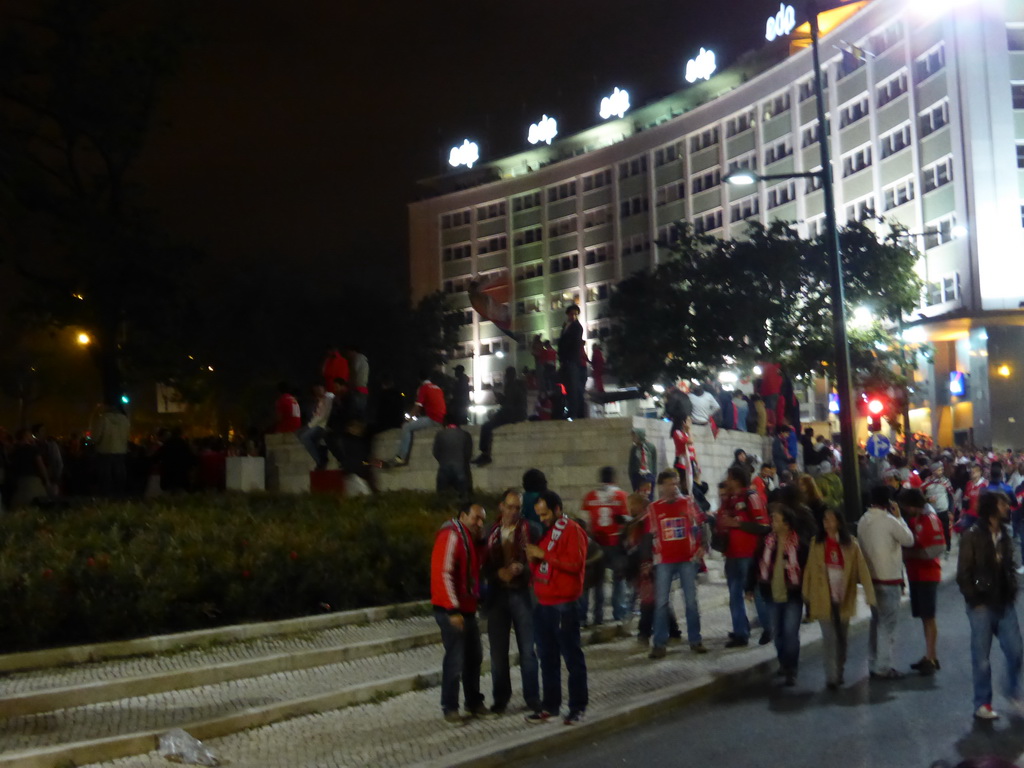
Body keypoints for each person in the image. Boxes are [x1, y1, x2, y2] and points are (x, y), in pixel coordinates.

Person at [957, 491, 1023, 720]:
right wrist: (974, 598)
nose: (1007, 507)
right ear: (993, 507)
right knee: (981, 658)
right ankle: (982, 703)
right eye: (1003, 503)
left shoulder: (1005, 535)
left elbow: (1009, 565)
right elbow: (963, 572)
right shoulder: (972, 535)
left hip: (1004, 601)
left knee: (1016, 651)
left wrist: (1012, 588)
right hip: (981, 605)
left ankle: (1014, 691)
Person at [526, 490, 589, 725]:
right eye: (539, 515)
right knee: (548, 658)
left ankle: (577, 707)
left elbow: (574, 564)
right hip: (544, 605)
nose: (541, 519)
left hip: (563, 604)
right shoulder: (549, 532)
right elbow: (544, 566)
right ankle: (551, 706)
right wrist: (534, 560)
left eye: (545, 514)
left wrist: (543, 554)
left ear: (557, 509)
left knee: (572, 658)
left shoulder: (572, 530)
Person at [482, 489, 541, 715]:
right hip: (497, 596)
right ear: (501, 506)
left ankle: (532, 696)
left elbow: (537, 560)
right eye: (510, 507)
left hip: (522, 594)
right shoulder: (490, 532)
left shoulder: (531, 530)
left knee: (528, 650)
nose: (514, 512)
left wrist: (522, 569)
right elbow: (484, 566)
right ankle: (500, 698)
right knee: (498, 652)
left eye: (518, 508)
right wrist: (499, 574)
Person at [803, 508, 875, 690]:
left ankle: (839, 669)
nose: (827, 523)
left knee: (841, 637)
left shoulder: (851, 544)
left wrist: (870, 594)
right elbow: (810, 569)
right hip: (822, 595)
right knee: (829, 638)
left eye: (831, 520)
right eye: (825, 519)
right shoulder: (816, 543)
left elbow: (863, 570)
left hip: (843, 596)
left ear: (839, 523)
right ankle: (831, 676)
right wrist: (806, 594)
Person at [430, 501, 488, 724]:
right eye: (476, 517)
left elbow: (475, 565)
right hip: (452, 611)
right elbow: (443, 574)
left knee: (474, 657)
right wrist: (452, 609)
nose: (480, 522)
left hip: (467, 609)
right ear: (463, 516)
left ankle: (473, 702)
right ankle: (450, 707)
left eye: (482, 519)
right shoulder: (451, 536)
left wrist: (481, 541)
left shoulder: (466, 538)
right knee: (456, 659)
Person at [647, 468, 706, 658]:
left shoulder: (688, 502)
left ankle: (695, 640)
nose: (674, 487)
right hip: (664, 560)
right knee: (662, 602)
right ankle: (659, 643)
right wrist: (648, 559)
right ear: (661, 486)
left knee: (690, 601)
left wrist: (702, 546)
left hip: (687, 559)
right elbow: (649, 535)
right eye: (670, 484)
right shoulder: (654, 508)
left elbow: (702, 523)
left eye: (676, 483)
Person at [858, 485, 915, 680]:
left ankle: (874, 662)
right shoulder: (890, 521)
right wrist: (899, 517)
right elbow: (908, 540)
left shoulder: (863, 521)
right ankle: (883, 666)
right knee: (887, 624)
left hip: (870, 577)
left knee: (876, 622)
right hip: (889, 578)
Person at [748, 504, 808, 685]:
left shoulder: (800, 545)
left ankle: (791, 668)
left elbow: (807, 570)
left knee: (791, 633)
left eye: (776, 519)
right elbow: (755, 563)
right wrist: (749, 587)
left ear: (787, 524)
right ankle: (783, 662)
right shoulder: (767, 541)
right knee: (778, 632)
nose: (772, 522)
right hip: (771, 594)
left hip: (793, 595)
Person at [718, 466, 771, 647]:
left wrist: (737, 524)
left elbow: (763, 526)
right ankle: (741, 632)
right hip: (731, 554)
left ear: (737, 479)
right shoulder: (730, 499)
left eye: (730, 478)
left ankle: (769, 627)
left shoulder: (751, 497)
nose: (727, 481)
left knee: (755, 592)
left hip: (748, 554)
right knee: (734, 594)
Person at [899, 488, 947, 676]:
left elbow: (937, 547)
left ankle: (932, 656)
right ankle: (929, 655)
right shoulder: (917, 519)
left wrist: (910, 554)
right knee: (925, 617)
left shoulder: (930, 520)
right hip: (916, 573)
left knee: (929, 616)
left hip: (927, 574)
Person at [580, 467, 631, 625]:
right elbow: (628, 521)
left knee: (595, 582)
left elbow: (584, 523)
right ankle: (619, 612)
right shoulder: (622, 496)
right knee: (618, 579)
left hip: (596, 544)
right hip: (615, 543)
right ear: (614, 478)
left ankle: (594, 615)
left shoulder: (590, 496)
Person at [472, 367, 527, 466]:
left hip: (513, 415)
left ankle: (485, 454)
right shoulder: (516, 386)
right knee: (488, 425)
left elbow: (509, 406)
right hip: (517, 414)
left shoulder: (511, 386)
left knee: (486, 427)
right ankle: (485, 454)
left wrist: (499, 409)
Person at [391, 371, 446, 466]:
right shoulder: (437, 388)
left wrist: (408, 419)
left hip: (433, 419)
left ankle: (401, 457)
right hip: (442, 419)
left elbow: (417, 407)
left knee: (406, 427)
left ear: (419, 379)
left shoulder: (423, 388)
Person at [92, 402, 130, 496]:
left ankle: (106, 499)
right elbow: (126, 436)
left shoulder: (103, 419)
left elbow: (96, 437)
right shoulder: (125, 420)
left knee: (105, 478)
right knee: (119, 477)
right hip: (120, 451)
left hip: (105, 451)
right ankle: (119, 497)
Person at [433, 413, 473, 498]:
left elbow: (436, 452)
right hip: (460, 468)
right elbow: (468, 453)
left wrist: (442, 460)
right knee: (463, 495)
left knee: (442, 494)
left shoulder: (440, 435)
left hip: (444, 467)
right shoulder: (465, 434)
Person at [558, 305, 586, 419]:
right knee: (567, 388)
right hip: (565, 361)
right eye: (571, 314)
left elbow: (573, 343)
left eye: (575, 314)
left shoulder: (577, 327)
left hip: (572, 361)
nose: (573, 316)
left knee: (573, 388)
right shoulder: (565, 326)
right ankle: (568, 411)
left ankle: (574, 413)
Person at [298, 384, 333, 468]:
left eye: (319, 388)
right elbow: (317, 415)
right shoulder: (320, 400)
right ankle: (320, 460)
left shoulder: (329, 397)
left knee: (305, 437)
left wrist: (309, 426)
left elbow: (323, 416)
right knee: (304, 435)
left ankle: (320, 461)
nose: (317, 391)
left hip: (325, 425)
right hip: (319, 424)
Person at [922, 462, 954, 553]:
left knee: (946, 530)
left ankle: (947, 547)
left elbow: (951, 496)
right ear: (933, 471)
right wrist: (928, 499)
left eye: (941, 470)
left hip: (943, 510)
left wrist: (951, 510)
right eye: (939, 470)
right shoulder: (926, 483)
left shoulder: (945, 482)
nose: (941, 472)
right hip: (931, 513)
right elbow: (921, 497)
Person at [628, 428, 657, 495]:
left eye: (634, 436)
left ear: (639, 435)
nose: (633, 438)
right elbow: (631, 464)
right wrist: (632, 476)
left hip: (649, 475)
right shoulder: (634, 449)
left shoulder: (650, 447)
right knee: (638, 496)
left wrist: (653, 475)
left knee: (648, 495)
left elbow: (654, 461)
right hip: (637, 475)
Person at [343, 344, 370, 418]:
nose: (348, 355)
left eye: (348, 352)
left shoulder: (357, 358)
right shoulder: (365, 361)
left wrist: (348, 386)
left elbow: (354, 373)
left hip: (357, 389)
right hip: (364, 390)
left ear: (353, 351)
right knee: (360, 415)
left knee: (352, 414)